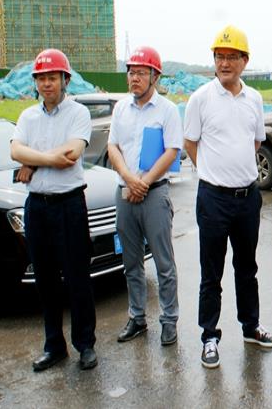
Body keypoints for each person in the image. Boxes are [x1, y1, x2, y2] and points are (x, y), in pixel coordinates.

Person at [183, 25, 272, 369]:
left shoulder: (254, 99)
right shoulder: (200, 99)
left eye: (231, 57)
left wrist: (236, 170)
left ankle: (251, 327)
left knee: (247, 267)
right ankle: (209, 336)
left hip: (247, 198)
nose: (224, 63)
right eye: (219, 57)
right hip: (213, 199)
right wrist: (211, 172)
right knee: (211, 272)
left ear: (244, 61)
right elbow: (190, 143)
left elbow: (255, 141)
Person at [10, 48, 97, 371]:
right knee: (45, 280)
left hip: (69, 205)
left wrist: (32, 161)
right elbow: (15, 151)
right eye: (41, 78)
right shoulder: (27, 117)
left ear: (65, 80)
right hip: (37, 207)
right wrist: (46, 159)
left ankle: (85, 344)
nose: (47, 84)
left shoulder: (78, 113)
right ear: (35, 82)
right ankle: (54, 346)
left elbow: (71, 154)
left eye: (52, 78)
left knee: (77, 278)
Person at [107, 46, 182, 347]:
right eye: (131, 72)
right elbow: (113, 147)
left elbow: (172, 150)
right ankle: (137, 317)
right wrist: (129, 179)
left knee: (164, 262)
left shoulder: (167, 110)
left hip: (155, 194)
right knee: (131, 262)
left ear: (155, 76)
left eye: (140, 73)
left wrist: (144, 183)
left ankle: (169, 320)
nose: (134, 78)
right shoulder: (120, 109)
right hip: (125, 192)